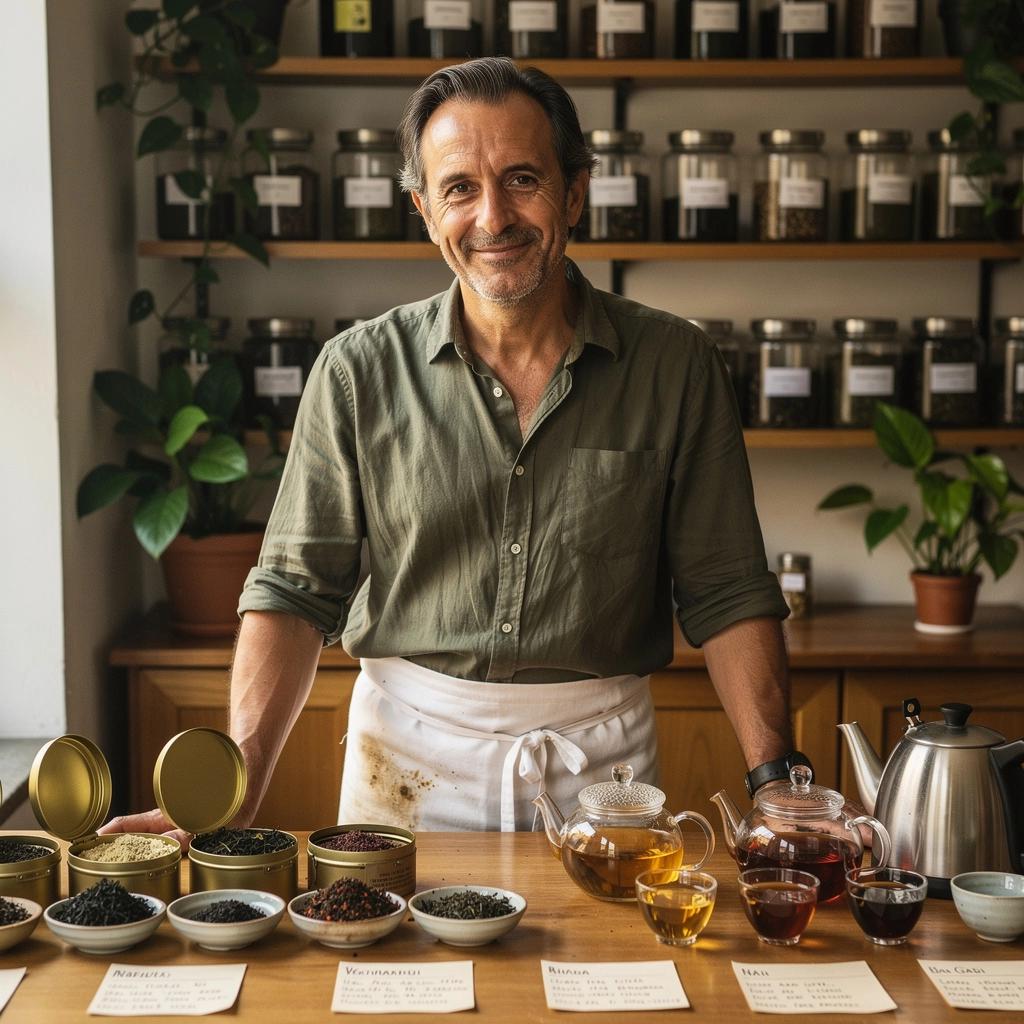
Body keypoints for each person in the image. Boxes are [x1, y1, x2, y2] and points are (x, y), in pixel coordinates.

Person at [103, 57, 801, 843]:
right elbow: (295, 593)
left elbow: (728, 592)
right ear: (425, 210)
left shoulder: (676, 365)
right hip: (405, 770)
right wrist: (236, 788)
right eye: (460, 188)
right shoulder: (357, 371)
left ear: (575, 192)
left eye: (523, 180)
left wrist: (777, 786)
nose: (493, 217)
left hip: (603, 779)